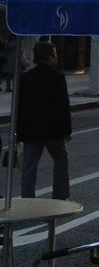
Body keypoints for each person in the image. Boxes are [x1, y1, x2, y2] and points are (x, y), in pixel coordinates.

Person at [17, 41, 72, 200]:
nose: (56, 57)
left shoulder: (26, 78)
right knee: (61, 160)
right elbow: (63, 106)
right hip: (53, 130)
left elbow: (20, 105)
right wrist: (67, 130)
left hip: (30, 130)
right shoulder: (58, 77)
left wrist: (18, 131)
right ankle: (60, 196)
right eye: (55, 54)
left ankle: (27, 198)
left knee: (29, 167)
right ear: (49, 58)